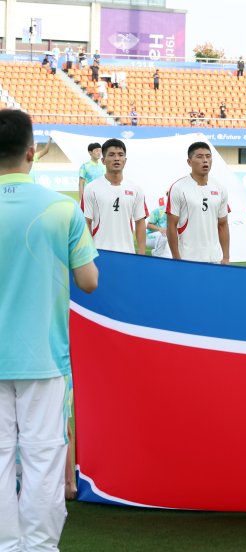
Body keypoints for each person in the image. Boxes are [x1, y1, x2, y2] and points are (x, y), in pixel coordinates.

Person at [0, 108, 99, 551]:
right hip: (42, 355)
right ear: (32, 151)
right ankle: (37, 546)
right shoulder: (62, 209)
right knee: (42, 455)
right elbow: (89, 281)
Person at [166, 142, 230, 263]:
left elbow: (223, 224)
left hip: (214, 258)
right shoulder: (178, 188)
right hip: (188, 258)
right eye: (199, 157)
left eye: (208, 156)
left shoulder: (220, 188)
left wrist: (226, 257)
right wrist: (176, 258)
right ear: (189, 162)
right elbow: (171, 226)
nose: (205, 160)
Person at [82, 139, 147, 254]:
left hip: (128, 253)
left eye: (120, 155)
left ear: (125, 160)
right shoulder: (91, 188)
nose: (116, 158)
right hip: (99, 252)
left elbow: (140, 221)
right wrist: (88, 250)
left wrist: (141, 254)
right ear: (103, 160)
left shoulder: (136, 189)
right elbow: (86, 221)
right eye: (111, 155)